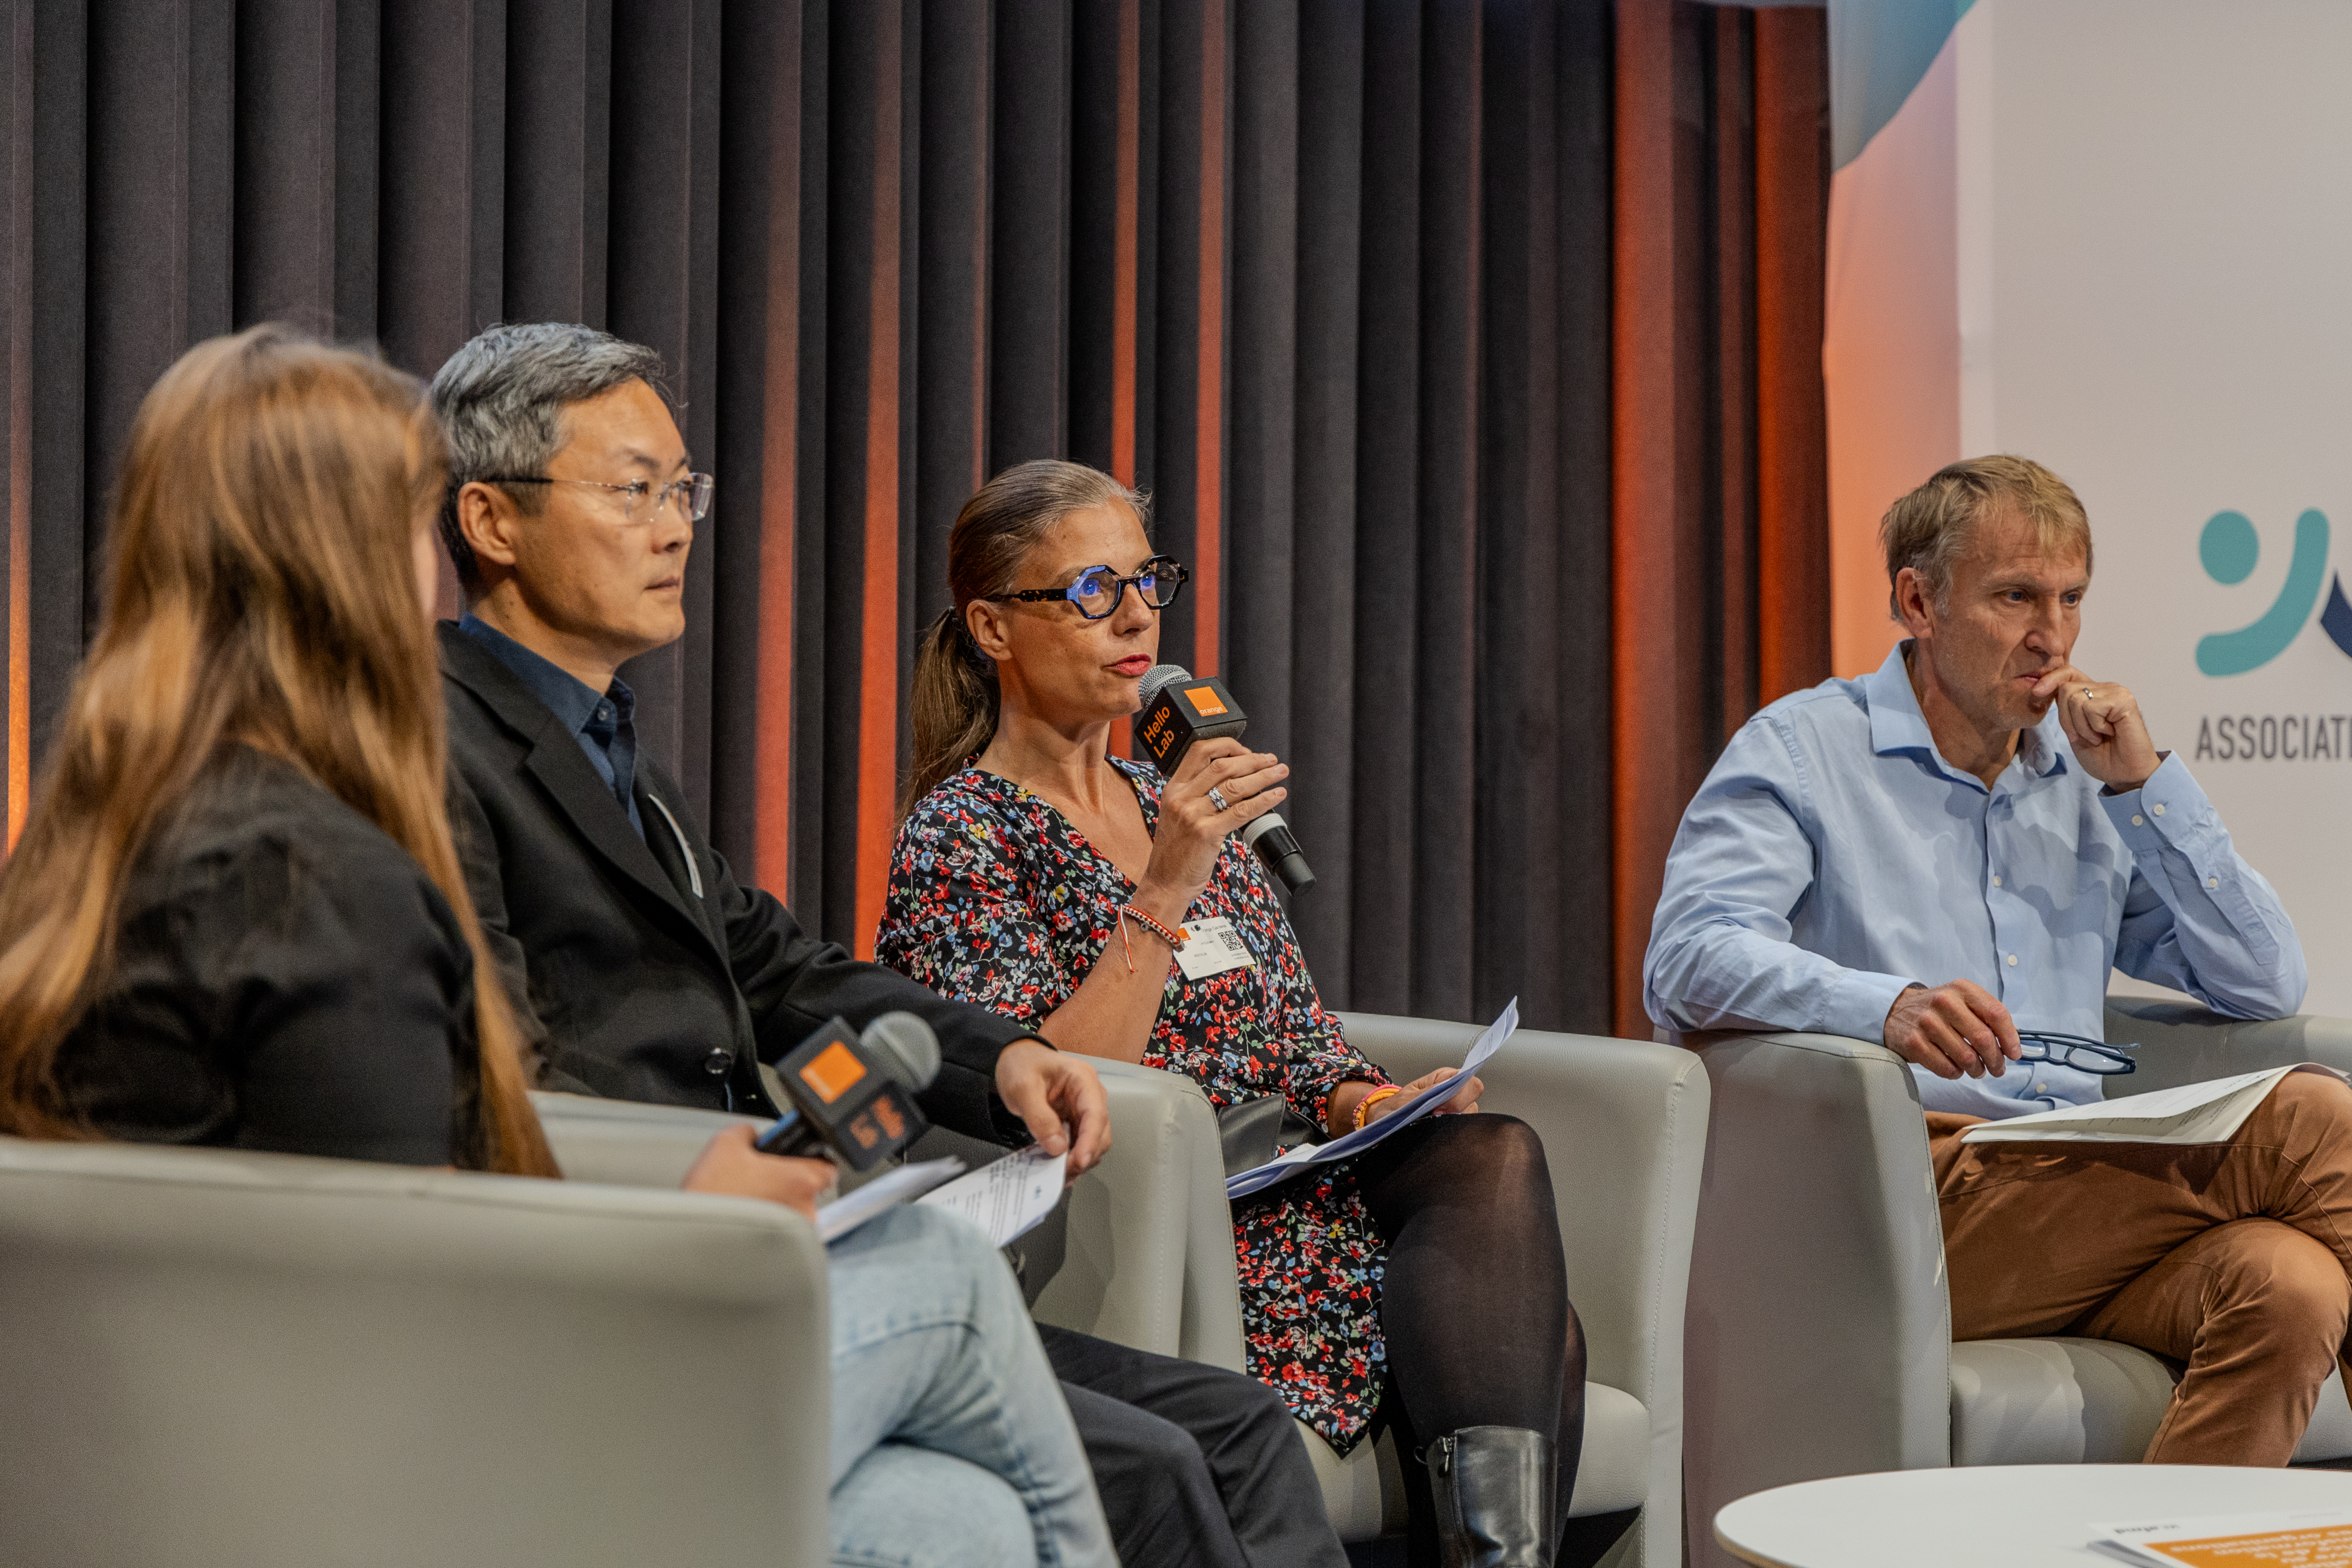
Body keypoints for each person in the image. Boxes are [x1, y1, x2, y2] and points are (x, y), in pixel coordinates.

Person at [0, 326, 1114, 1568]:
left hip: (171, 1435)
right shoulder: (318, 879)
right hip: (371, 1466)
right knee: (941, 1280)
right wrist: (673, 1203)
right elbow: (418, 1259)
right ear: (358, 560)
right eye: (422, 527)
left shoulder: (107, 829)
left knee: (950, 1522)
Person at [429, 323, 1344, 1568]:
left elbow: (774, 964)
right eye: (632, 489)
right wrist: (718, 1168)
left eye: (682, 490)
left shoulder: (614, 750)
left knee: (1234, 1425)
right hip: (644, 1261)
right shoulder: (434, 744)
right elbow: (486, 1065)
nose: (674, 526)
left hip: (770, 1238)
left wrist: (1004, 1059)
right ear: (489, 520)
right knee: (1147, 1463)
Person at [876, 459, 1584, 1568]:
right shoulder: (965, 834)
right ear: (994, 627)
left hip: (1291, 1180)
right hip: (1178, 1222)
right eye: (1092, 590)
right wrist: (1163, 888)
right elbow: (1038, 1089)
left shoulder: (1174, 801)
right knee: (1538, 1341)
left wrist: (1364, 1093)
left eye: (1148, 581)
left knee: (1487, 1154)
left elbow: (1292, 1031)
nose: (1138, 614)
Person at [1644, 453, 2352, 1464]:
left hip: (2075, 1190)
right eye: (2015, 595)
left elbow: (2264, 979)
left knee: (2293, 1285)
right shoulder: (1806, 750)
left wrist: (2144, 786)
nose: (2050, 635)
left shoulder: (2083, 783)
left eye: (2070, 599)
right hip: (1896, 1202)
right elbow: (1686, 958)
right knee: (2312, 1115)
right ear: (1917, 600)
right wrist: (1884, 1004)